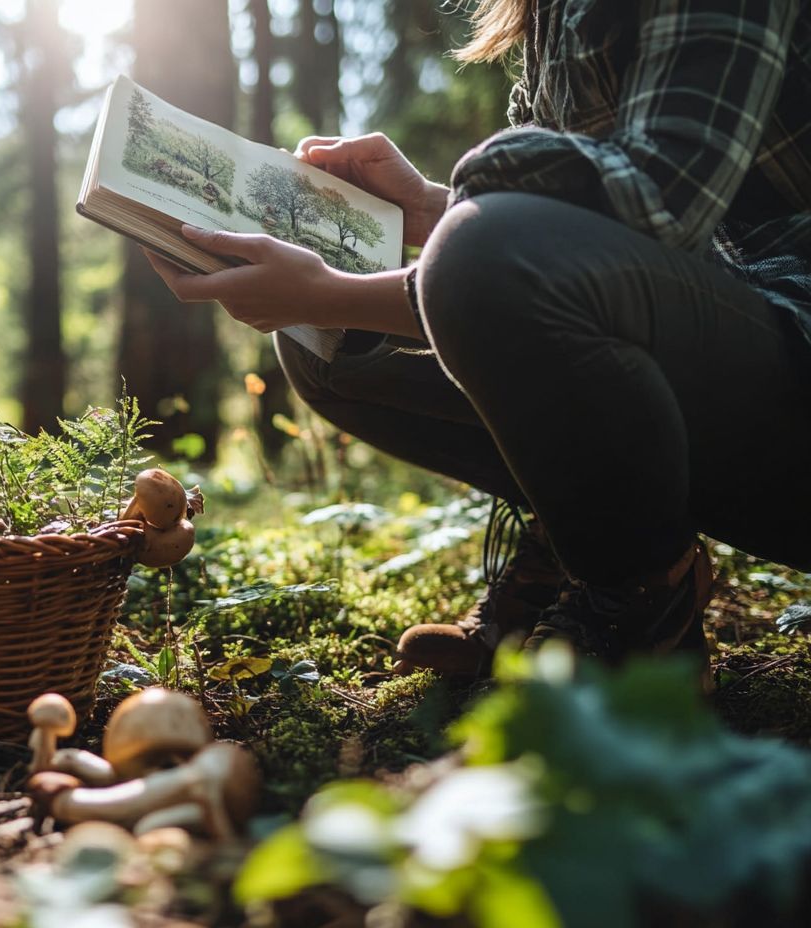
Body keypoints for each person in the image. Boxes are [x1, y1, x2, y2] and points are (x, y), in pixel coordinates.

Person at [144, 0, 811, 677]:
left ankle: (640, 623)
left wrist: (344, 285)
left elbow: (662, 206)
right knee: (330, 348)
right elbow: (577, 240)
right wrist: (431, 212)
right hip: (718, 346)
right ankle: (580, 548)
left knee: (415, 278)